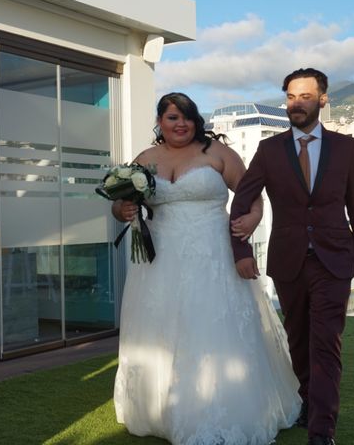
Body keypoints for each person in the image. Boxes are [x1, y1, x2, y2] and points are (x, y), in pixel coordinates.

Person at [112, 92, 301, 445]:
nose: (180, 124)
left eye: (186, 117)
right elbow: (124, 202)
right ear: (160, 122)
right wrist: (121, 211)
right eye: (171, 117)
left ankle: (220, 404)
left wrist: (252, 221)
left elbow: (252, 197)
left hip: (212, 254)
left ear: (196, 120)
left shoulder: (217, 154)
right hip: (159, 258)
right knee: (164, 324)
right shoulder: (145, 159)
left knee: (208, 322)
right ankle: (160, 408)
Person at [229, 68, 354, 445]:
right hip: (288, 259)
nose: (296, 104)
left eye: (305, 97)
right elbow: (242, 200)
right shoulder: (269, 149)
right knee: (298, 340)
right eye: (291, 97)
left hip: (335, 260)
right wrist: (241, 250)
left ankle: (322, 430)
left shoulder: (345, 146)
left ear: (323, 100)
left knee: (326, 342)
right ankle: (309, 401)